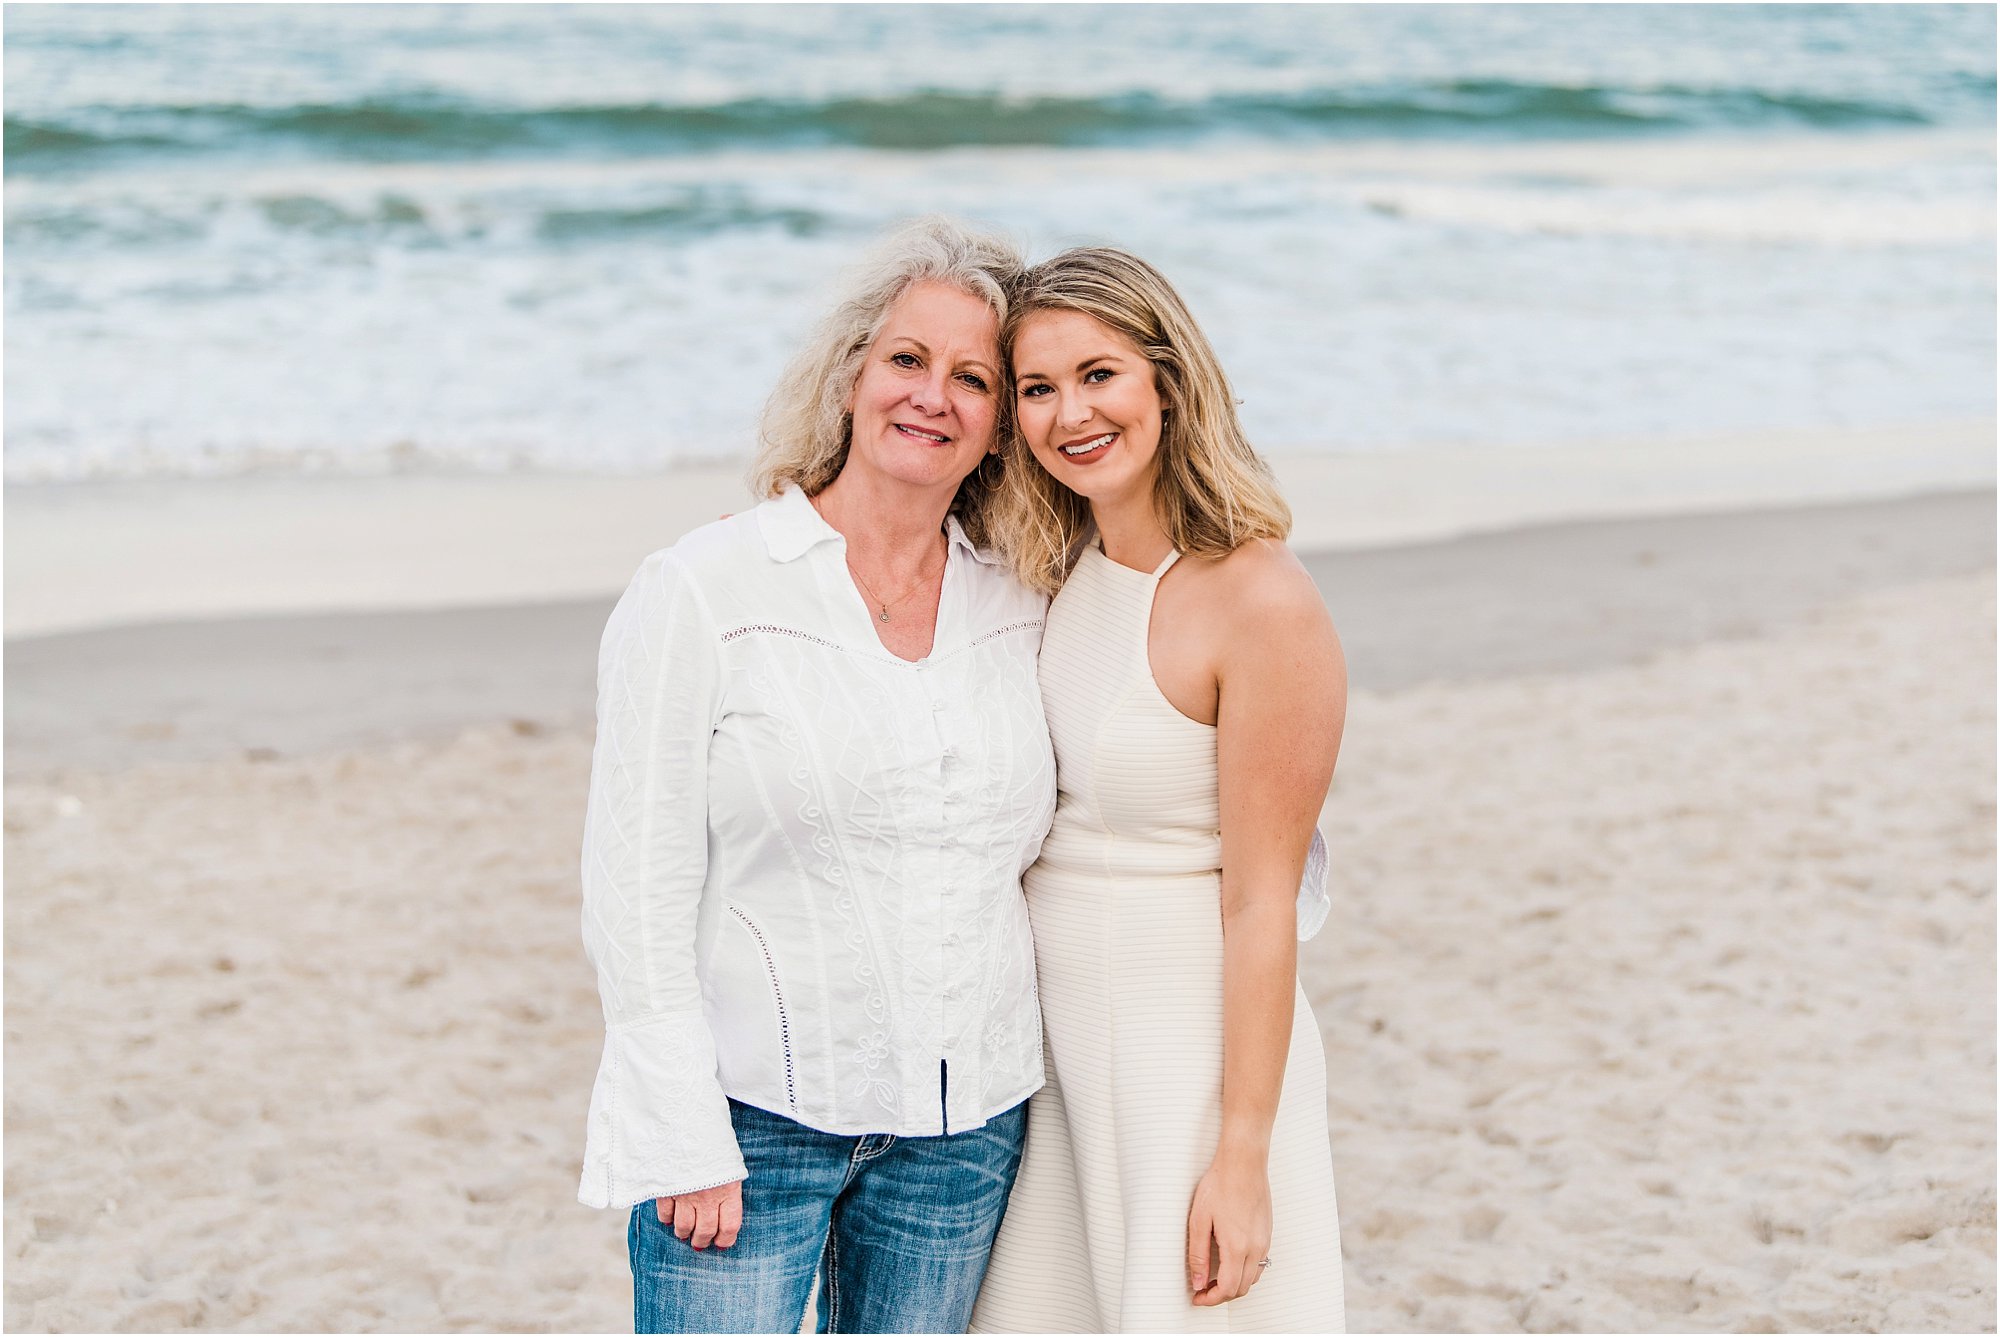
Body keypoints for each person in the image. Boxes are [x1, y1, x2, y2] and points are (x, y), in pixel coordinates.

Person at [576, 217, 1057, 1335]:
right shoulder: (705, 586)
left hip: (963, 1133)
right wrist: (677, 1127)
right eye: (906, 358)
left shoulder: (1023, 600)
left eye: (971, 377)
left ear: (999, 426)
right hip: (748, 1126)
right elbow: (633, 878)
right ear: (849, 377)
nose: (931, 394)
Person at [970, 247, 1348, 1333]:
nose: (1068, 413)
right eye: (1035, 388)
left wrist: (1240, 1150)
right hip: (1048, 1058)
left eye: (1098, 375)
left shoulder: (1262, 599)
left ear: (1166, 382)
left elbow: (1261, 899)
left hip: (1184, 1056)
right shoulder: (1050, 568)